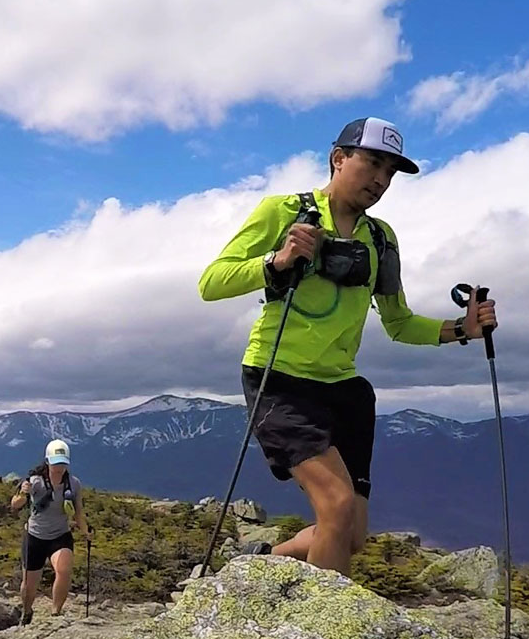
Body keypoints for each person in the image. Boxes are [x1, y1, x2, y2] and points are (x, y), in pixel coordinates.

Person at [198, 117, 498, 575]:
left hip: (344, 391)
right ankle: (315, 636)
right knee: (336, 507)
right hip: (279, 380)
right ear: (339, 159)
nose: (381, 180)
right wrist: (276, 261)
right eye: (373, 163)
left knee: (351, 534)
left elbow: (398, 323)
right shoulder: (282, 212)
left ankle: (257, 566)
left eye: (391, 172)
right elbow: (211, 283)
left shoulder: (381, 238)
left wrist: (463, 329)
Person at [9, 438, 90, 625]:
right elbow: (15, 505)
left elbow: (78, 511)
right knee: (29, 585)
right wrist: (23, 492)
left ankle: (56, 614)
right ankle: (27, 611)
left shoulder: (74, 484)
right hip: (34, 537)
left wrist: (85, 531)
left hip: (60, 535)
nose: (59, 467)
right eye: (55, 463)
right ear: (47, 462)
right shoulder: (35, 482)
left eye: (62, 463)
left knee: (64, 571)